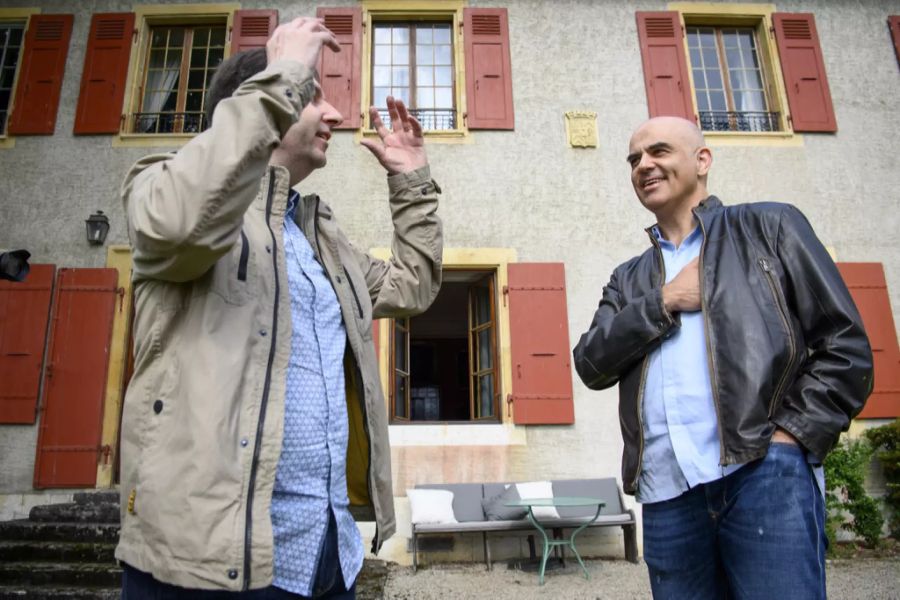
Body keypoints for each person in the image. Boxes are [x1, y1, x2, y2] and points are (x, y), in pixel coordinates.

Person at [117, 17, 443, 599]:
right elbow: (183, 220)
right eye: (312, 96)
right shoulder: (162, 187)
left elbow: (411, 287)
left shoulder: (320, 236)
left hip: (323, 552)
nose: (336, 116)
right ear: (263, 98)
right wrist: (285, 73)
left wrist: (414, 185)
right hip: (209, 560)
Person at [572, 116, 872, 600]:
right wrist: (663, 301)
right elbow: (590, 363)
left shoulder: (770, 227)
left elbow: (845, 345)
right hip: (668, 493)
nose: (643, 165)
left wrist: (789, 438)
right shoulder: (628, 279)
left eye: (659, 152)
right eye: (633, 160)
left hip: (763, 471)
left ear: (702, 160)